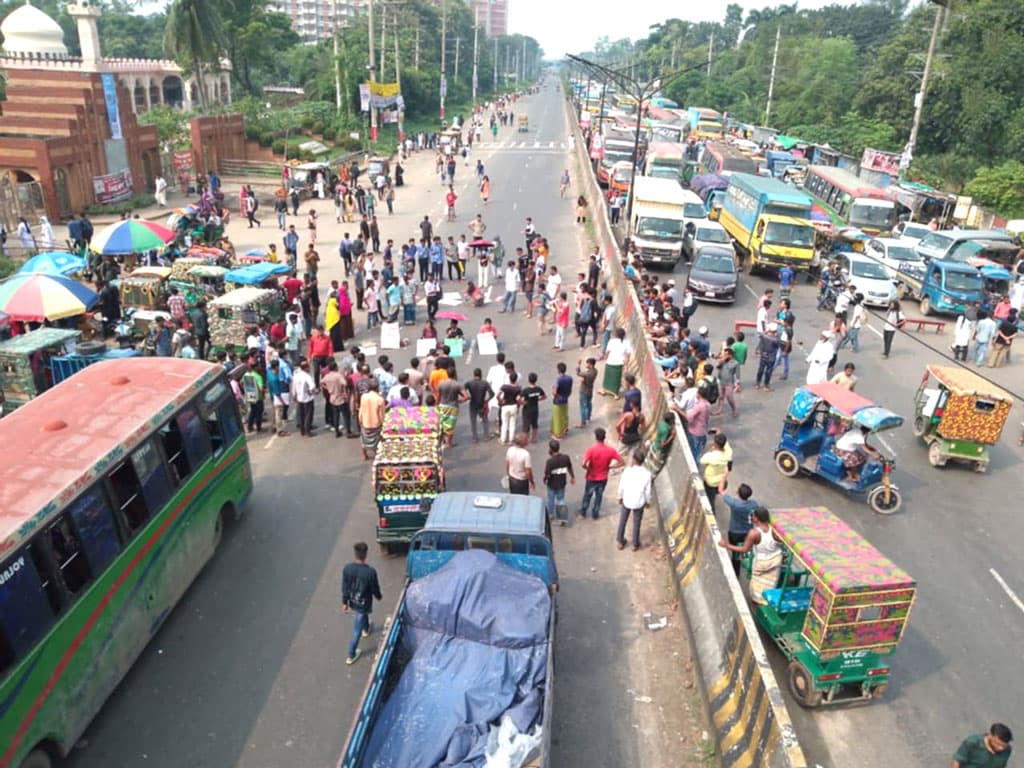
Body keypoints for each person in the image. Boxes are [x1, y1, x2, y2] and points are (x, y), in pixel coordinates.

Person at [718, 507, 782, 605]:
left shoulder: (754, 533)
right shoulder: (774, 529)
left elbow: (744, 549)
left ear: (756, 518)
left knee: (757, 587)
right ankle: (768, 600)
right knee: (770, 583)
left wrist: (726, 545)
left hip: (762, 562)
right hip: (776, 560)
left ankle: (758, 602)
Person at [341, 542, 383, 666]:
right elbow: (375, 588)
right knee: (356, 630)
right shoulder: (370, 572)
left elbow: (345, 587)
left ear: (355, 554)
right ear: (366, 554)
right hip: (364, 603)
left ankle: (366, 629)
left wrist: (345, 602)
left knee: (363, 617)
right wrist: (378, 596)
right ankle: (351, 654)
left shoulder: (347, 568)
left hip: (353, 600)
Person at [579, 427, 624, 520]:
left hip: (591, 477)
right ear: (604, 438)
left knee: (587, 495)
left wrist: (589, 470)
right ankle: (595, 514)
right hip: (603, 477)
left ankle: (583, 512)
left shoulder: (591, 450)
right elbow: (622, 462)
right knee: (598, 496)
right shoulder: (610, 450)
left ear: (596, 437)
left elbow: (583, 464)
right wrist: (611, 467)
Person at [615, 448, 652, 551]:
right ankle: (635, 544)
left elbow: (621, 486)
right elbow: (648, 491)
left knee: (623, 520)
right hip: (639, 502)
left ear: (634, 459)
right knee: (637, 523)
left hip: (627, 500)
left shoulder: (627, 471)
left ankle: (620, 541)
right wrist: (647, 502)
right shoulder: (647, 474)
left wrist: (619, 497)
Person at [722, 484, 758, 575]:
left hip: (735, 533)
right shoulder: (754, 504)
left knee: (735, 553)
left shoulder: (734, 504)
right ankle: (745, 559)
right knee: (747, 548)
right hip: (748, 532)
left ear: (738, 493)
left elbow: (721, 491)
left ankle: (736, 571)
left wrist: (725, 475)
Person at [543, 439, 575, 524]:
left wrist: (545, 480)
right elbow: (570, 468)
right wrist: (572, 477)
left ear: (551, 449)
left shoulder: (550, 462)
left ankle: (551, 515)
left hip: (552, 484)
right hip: (562, 483)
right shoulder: (566, 458)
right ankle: (562, 518)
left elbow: (547, 474)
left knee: (551, 499)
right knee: (561, 499)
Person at [699, 432, 732, 510]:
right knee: (715, 492)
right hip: (721, 481)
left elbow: (702, 461)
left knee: (710, 500)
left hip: (710, 482)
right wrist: (719, 433)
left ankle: (711, 513)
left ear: (715, 444)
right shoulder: (728, 453)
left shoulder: (712, 456)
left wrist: (711, 450)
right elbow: (726, 445)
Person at [463, 367, 494, 442]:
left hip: (473, 404)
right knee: (485, 420)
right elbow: (492, 394)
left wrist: (467, 396)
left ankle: (475, 438)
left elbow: (463, 390)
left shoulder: (469, 383)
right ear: (481, 375)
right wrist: (487, 400)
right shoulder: (484, 383)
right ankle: (486, 436)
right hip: (481, 404)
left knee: (473, 422)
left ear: (474, 375)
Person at [358, 379, 386, 460]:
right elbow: (381, 415)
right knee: (376, 441)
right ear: (377, 388)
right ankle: (377, 455)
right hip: (375, 424)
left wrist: (360, 420)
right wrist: (383, 424)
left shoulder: (364, 396)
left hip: (365, 422)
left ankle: (364, 455)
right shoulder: (380, 399)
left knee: (364, 440)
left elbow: (361, 410)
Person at [292, 359, 316, 436]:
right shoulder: (307, 376)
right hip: (307, 399)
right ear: (306, 368)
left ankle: (302, 431)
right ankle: (308, 431)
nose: (309, 369)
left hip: (299, 398)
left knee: (301, 415)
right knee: (308, 415)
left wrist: (294, 395)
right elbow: (312, 386)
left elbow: (293, 386)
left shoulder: (296, 376)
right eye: (308, 367)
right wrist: (311, 391)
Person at [498, 371, 522, 444]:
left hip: (505, 406)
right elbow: (518, 399)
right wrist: (518, 406)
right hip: (513, 406)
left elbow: (498, 395)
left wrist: (501, 401)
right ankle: (511, 440)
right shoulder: (518, 388)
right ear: (516, 379)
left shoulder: (504, 387)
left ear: (509, 378)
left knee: (504, 424)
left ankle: (503, 440)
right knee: (512, 424)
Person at [241, 362, 265, 434]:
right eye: (259, 366)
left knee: (253, 411)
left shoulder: (246, 375)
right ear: (256, 367)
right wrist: (262, 392)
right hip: (258, 397)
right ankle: (258, 428)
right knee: (259, 413)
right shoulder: (258, 376)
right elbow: (261, 389)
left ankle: (250, 427)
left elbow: (241, 383)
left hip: (250, 396)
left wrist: (246, 390)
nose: (260, 367)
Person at [550, 362, 572, 438]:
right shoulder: (570, 378)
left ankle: (557, 434)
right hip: (565, 400)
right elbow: (570, 390)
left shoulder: (558, 380)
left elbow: (554, 392)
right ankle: (565, 429)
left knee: (557, 417)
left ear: (558, 370)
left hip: (558, 401)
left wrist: (554, 393)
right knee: (564, 415)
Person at [576, 357, 597, 427]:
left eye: (587, 363)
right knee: (589, 404)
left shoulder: (587, 374)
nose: (586, 364)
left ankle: (583, 422)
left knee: (583, 407)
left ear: (590, 364)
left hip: (584, 391)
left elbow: (578, 373)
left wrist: (579, 365)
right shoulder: (595, 371)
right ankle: (588, 417)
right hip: (590, 391)